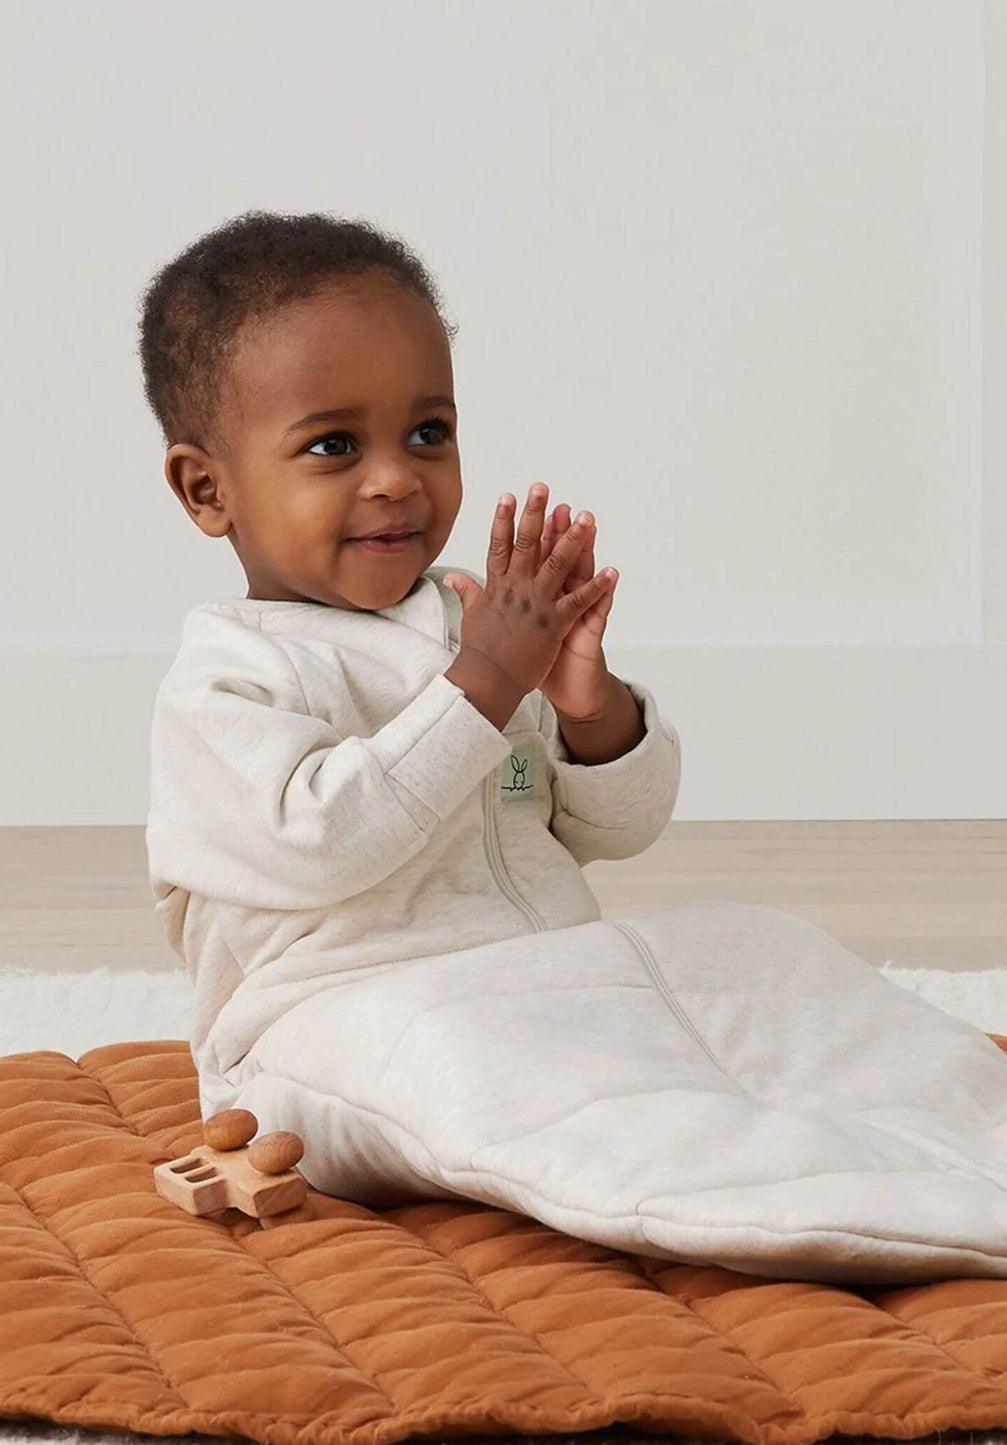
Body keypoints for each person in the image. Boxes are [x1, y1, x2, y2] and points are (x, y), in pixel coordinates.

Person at [140, 209, 681, 1122]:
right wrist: (483, 685)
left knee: (745, 954)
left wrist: (589, 711)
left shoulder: (473, 624)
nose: (395, 477)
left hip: (537, 994)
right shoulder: (226, 683)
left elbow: (616, 832)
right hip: (324, 1041)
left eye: (427, 432)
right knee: (504, 1072)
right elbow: (326, 842)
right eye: (333, 445)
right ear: (209, 489)